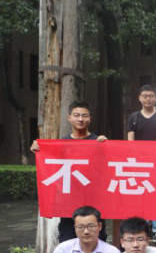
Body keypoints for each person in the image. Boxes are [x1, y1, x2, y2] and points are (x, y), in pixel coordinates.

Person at [30, 100, 109, 243]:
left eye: (84, 115)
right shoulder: (62, 143)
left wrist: (107, 147)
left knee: (97, 245)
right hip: (68, 203)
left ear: (90, 118)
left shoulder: (98, 142)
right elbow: (51, 167)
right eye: (76, 115)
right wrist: (39, 151)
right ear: (69, 117)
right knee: (67, 243)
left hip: (94, 202)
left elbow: (107, 168)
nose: (80, 119)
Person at [127, 84, 156, 242]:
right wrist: (139, 157)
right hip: (139, 163)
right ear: (139, 98)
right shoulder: (134, 117)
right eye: (145, 96)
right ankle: (143, 225)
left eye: (151, 96)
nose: (148, 99)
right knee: (141, 194)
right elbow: (130, 141)